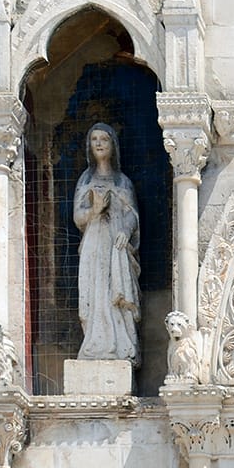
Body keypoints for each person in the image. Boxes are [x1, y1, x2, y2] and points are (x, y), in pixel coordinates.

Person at [74, 123, 141, 365]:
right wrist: (95, 209)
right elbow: (78, 217)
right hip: (93, 242)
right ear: (89, 146)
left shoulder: (122, 181)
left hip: (117, 243)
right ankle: (95, 344)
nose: (99, 143)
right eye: (94, 139)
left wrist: (125, 229)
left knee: (116, 291)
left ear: (113, 145)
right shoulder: (86, 179)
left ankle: (123, 347)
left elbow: (132, 213)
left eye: (104, 139)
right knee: (95, 289)